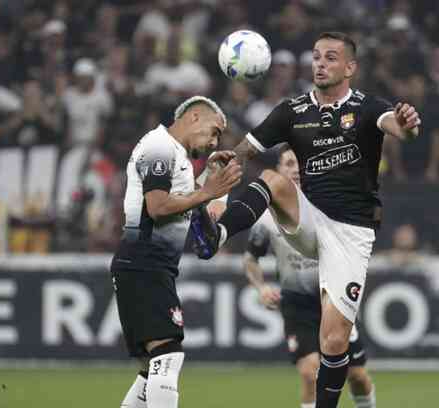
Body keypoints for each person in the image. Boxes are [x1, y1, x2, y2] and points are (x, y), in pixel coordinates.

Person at [190, 32, 421, 408]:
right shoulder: (292, 111)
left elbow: (401, 129)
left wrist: (408, 124)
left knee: (333, 343)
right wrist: (221, 164)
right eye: (316, 57)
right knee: (272, 180)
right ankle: (215, 236)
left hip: (351, 235)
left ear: (350, 67)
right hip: (309, 220)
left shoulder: (366, 107)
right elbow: (247, 151)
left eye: (331, 58)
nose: (320, 64)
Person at [111, 95, 241, 408]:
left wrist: (207, 179)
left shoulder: (174, 155)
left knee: (150, 369)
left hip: (143, 265)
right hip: (145, 264)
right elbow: (157, 207)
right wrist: (209, 191)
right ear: (194, 116)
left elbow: (180, 202)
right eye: (213, 131)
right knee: (167, 356)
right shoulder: (160, 147)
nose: (213, 142)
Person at [243, 146, 376, 408]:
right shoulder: (266, 219)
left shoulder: (330, 207)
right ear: (278, 171)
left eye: (299, 162)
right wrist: (260, 287)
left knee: (357, 376)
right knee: (310, 372)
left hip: (333, 299)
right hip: (297, 304)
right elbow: (250, 259)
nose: (295, 168)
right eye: (289, 163)